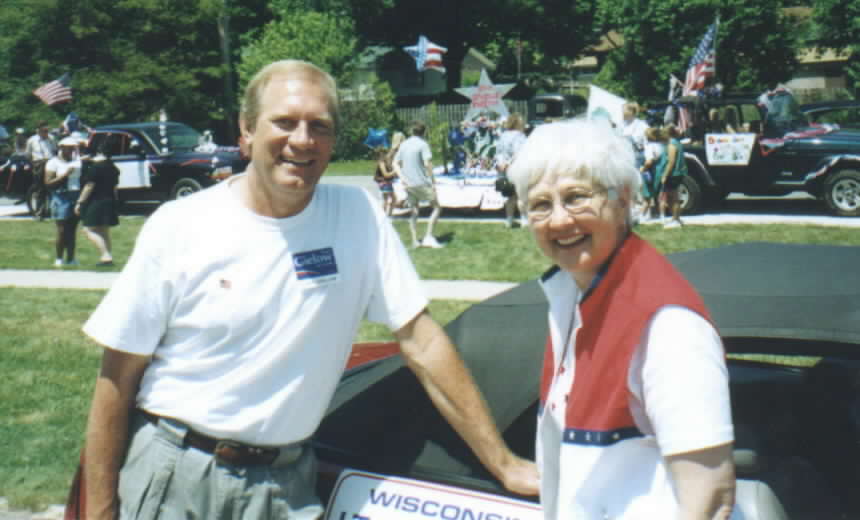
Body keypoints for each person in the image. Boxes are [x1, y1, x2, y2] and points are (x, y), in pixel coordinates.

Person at [81, 60, 537, 520]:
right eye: (284, 122)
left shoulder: (358, 216)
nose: (302, 140)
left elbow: (422, 342)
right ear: (247, 130)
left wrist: (503, 463)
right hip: (178, 475)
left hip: (287, 483)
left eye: (319, 126)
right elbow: (116, 380)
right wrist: (99, 512)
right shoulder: (180, 226)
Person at [507, 119, 737, 520]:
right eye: (541, 204)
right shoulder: (570, 296)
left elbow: (711, 496)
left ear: (624, 199)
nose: (559, 221)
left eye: (577, 197)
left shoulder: (666, 324)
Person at [394, 120, 444, 248]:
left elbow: (395, 164)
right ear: (424, 132)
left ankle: (415, 240)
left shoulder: (404, 144)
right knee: (437, 207)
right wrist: (433, 181)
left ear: (412, 131)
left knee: (414, 211)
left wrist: (402, 178)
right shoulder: (423, 144)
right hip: (421, 182)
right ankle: (428, 236)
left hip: (408, 184)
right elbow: (428, 164)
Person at [75, 141, 120, 266]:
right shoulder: (114, 168)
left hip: (96, 201)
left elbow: (89, 186)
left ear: (100, 152)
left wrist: (80, 202)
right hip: (109, 200)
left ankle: (105, 255)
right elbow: (115, 187)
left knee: (88, 229)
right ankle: (107, 258)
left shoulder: (96, 167)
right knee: (104, 230)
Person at [44, 136, 82, 266]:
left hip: (75, 194)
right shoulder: (53, 163)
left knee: (72, 228)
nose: (71, 151)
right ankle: (59, 258)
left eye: (73, 148)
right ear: (61, 148)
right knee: (61, 229)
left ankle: (71, 258)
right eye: (69, 149)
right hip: (61, 196)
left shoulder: (77, 161)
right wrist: (65, 175)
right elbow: (48, 183)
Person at [494, 113, 527, 228]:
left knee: (510, 196)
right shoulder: (520, 136)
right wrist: (508, 164)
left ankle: (509, 220)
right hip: (515, 168)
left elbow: (498, 153)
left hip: (503, 169)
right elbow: (518, 153)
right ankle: (524, 220)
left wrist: (501, 164)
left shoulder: (503, 135)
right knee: (521, 195)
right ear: (518, 123)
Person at [655, 124, 688, 229]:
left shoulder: (671, 145)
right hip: (679, 173)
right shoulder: (678, 143)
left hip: (673, 174)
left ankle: (675, 220)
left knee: (673, 198)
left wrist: (665, 175)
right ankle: (676, 218)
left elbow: (671, 162)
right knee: (674, 197)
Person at [25, 122, 56, 219]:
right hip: (38, 163)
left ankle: (52, 211)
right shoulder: (32, 140)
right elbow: (28, 154)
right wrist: (34, 164)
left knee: (52, 187)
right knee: (39, 189)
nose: (46, 133)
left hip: (51, 163)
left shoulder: (52, 139)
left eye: (47, 131)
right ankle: (39, 213)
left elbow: (56, 150)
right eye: (44, 131)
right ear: (38, 130)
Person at [639, 126, 665, 222]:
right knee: (660, 195)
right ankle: (661, 215)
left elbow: (649, 161)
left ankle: (642, 216)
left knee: (647, 196)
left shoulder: (650, 147)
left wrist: (643, 168)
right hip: (661, 171)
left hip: (650, 173)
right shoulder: (662, 146)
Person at [621, 102, 649, 169]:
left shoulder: (643, 126)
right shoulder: (622, 124)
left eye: (624, 111)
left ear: (631, 112)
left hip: (636, 159)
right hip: (622, 158)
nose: (622, 113)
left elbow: (647, 145)